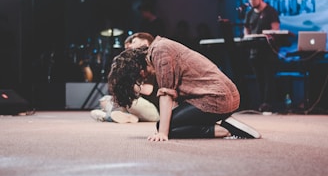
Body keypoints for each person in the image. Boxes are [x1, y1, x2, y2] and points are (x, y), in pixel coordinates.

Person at [108, 33, 261, 141]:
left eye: (138, 78)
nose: (142, 78)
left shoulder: (159, 52)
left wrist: (162, 133)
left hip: (217, 98)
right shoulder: (159, 48)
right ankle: (223, 123)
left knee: (165, 126)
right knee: (171, 125)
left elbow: (166, 94)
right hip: (218, 95)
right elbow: (175, 97)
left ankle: (225, 129)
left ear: (139, 70)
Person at [90, 33, 159, 123]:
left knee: (127, 100)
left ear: (145, 43)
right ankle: (128, 116)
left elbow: (147, 90)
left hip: (151, 109)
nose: (130, 45)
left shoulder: (150, 62)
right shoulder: (135, 64)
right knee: (105, 99)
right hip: (137, 104)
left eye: (134, 42)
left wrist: (124, 83)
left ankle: (108, 116)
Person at [243, 0, 280, 112]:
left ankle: (268, 104)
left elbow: (276, 30)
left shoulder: (271, 11)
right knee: (259, 79)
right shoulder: (249, 14)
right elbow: (246, 32)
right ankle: (260, 104)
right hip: (254, 52)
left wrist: (269, 35)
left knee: (269, 78)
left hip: (268, 52)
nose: (251, 2)